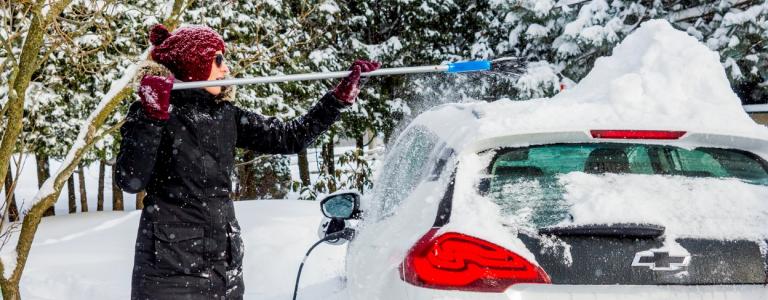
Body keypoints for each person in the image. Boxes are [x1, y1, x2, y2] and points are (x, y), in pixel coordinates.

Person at [115, 24, 380, 300]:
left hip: (224, 271)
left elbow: (290, 138)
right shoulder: (154, 113)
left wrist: (337, 100)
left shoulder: (226, 115)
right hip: (170, 273)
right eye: (218, 59)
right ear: (193, 62)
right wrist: (150, 118)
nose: (226, 68)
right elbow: (130, 180)